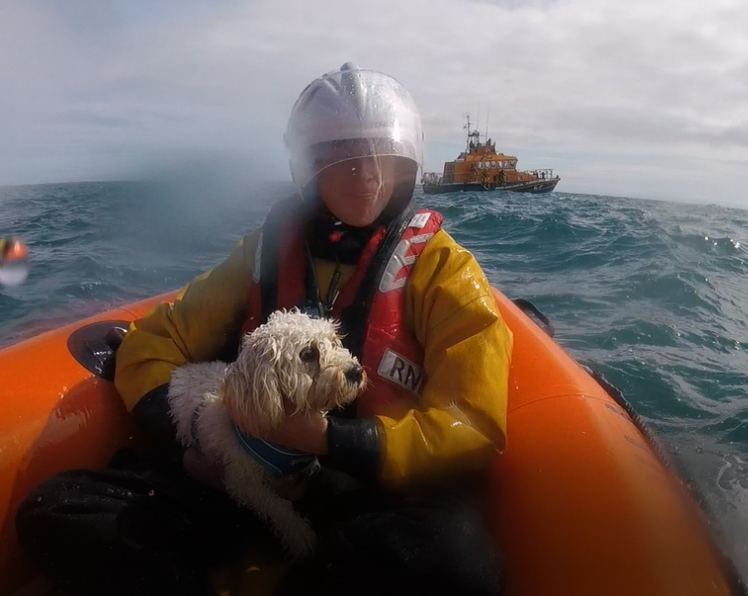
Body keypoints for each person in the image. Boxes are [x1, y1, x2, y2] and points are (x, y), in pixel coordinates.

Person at [15, 63, 513, 596]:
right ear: (310, 165)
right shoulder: (262, 253)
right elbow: (154, 344)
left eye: (379, 156)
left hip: (372, 493)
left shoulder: (442, 268)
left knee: (454, 564)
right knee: (58, 511)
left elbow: (473, 421)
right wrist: (194, 444)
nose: (365, 174)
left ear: (403, 161)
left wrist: (332, 439)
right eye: (340, 155)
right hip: (242, 477)